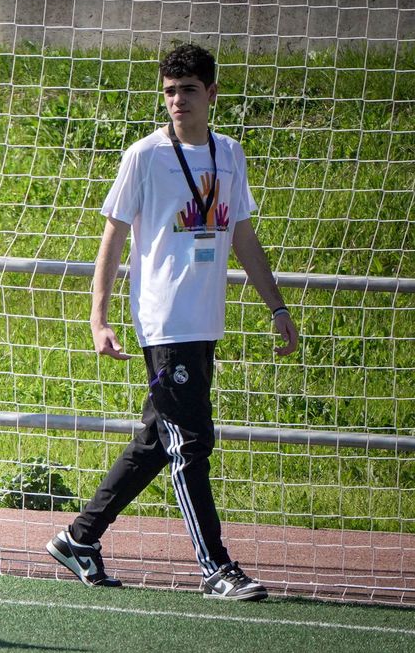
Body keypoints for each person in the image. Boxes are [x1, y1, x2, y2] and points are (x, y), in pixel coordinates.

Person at [46, 42, 300, 601]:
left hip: (205, 322)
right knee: (190, 441)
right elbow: (112, 234)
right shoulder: (144, 156)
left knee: (161, 439)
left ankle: (79, 537)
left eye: (187, 90)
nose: (177, 101)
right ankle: (215, 567)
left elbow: (243, 236)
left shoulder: (230, 155)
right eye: (169, 92)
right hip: (163, 323)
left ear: (210, 94)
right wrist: (99, 316)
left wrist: (276, 306)